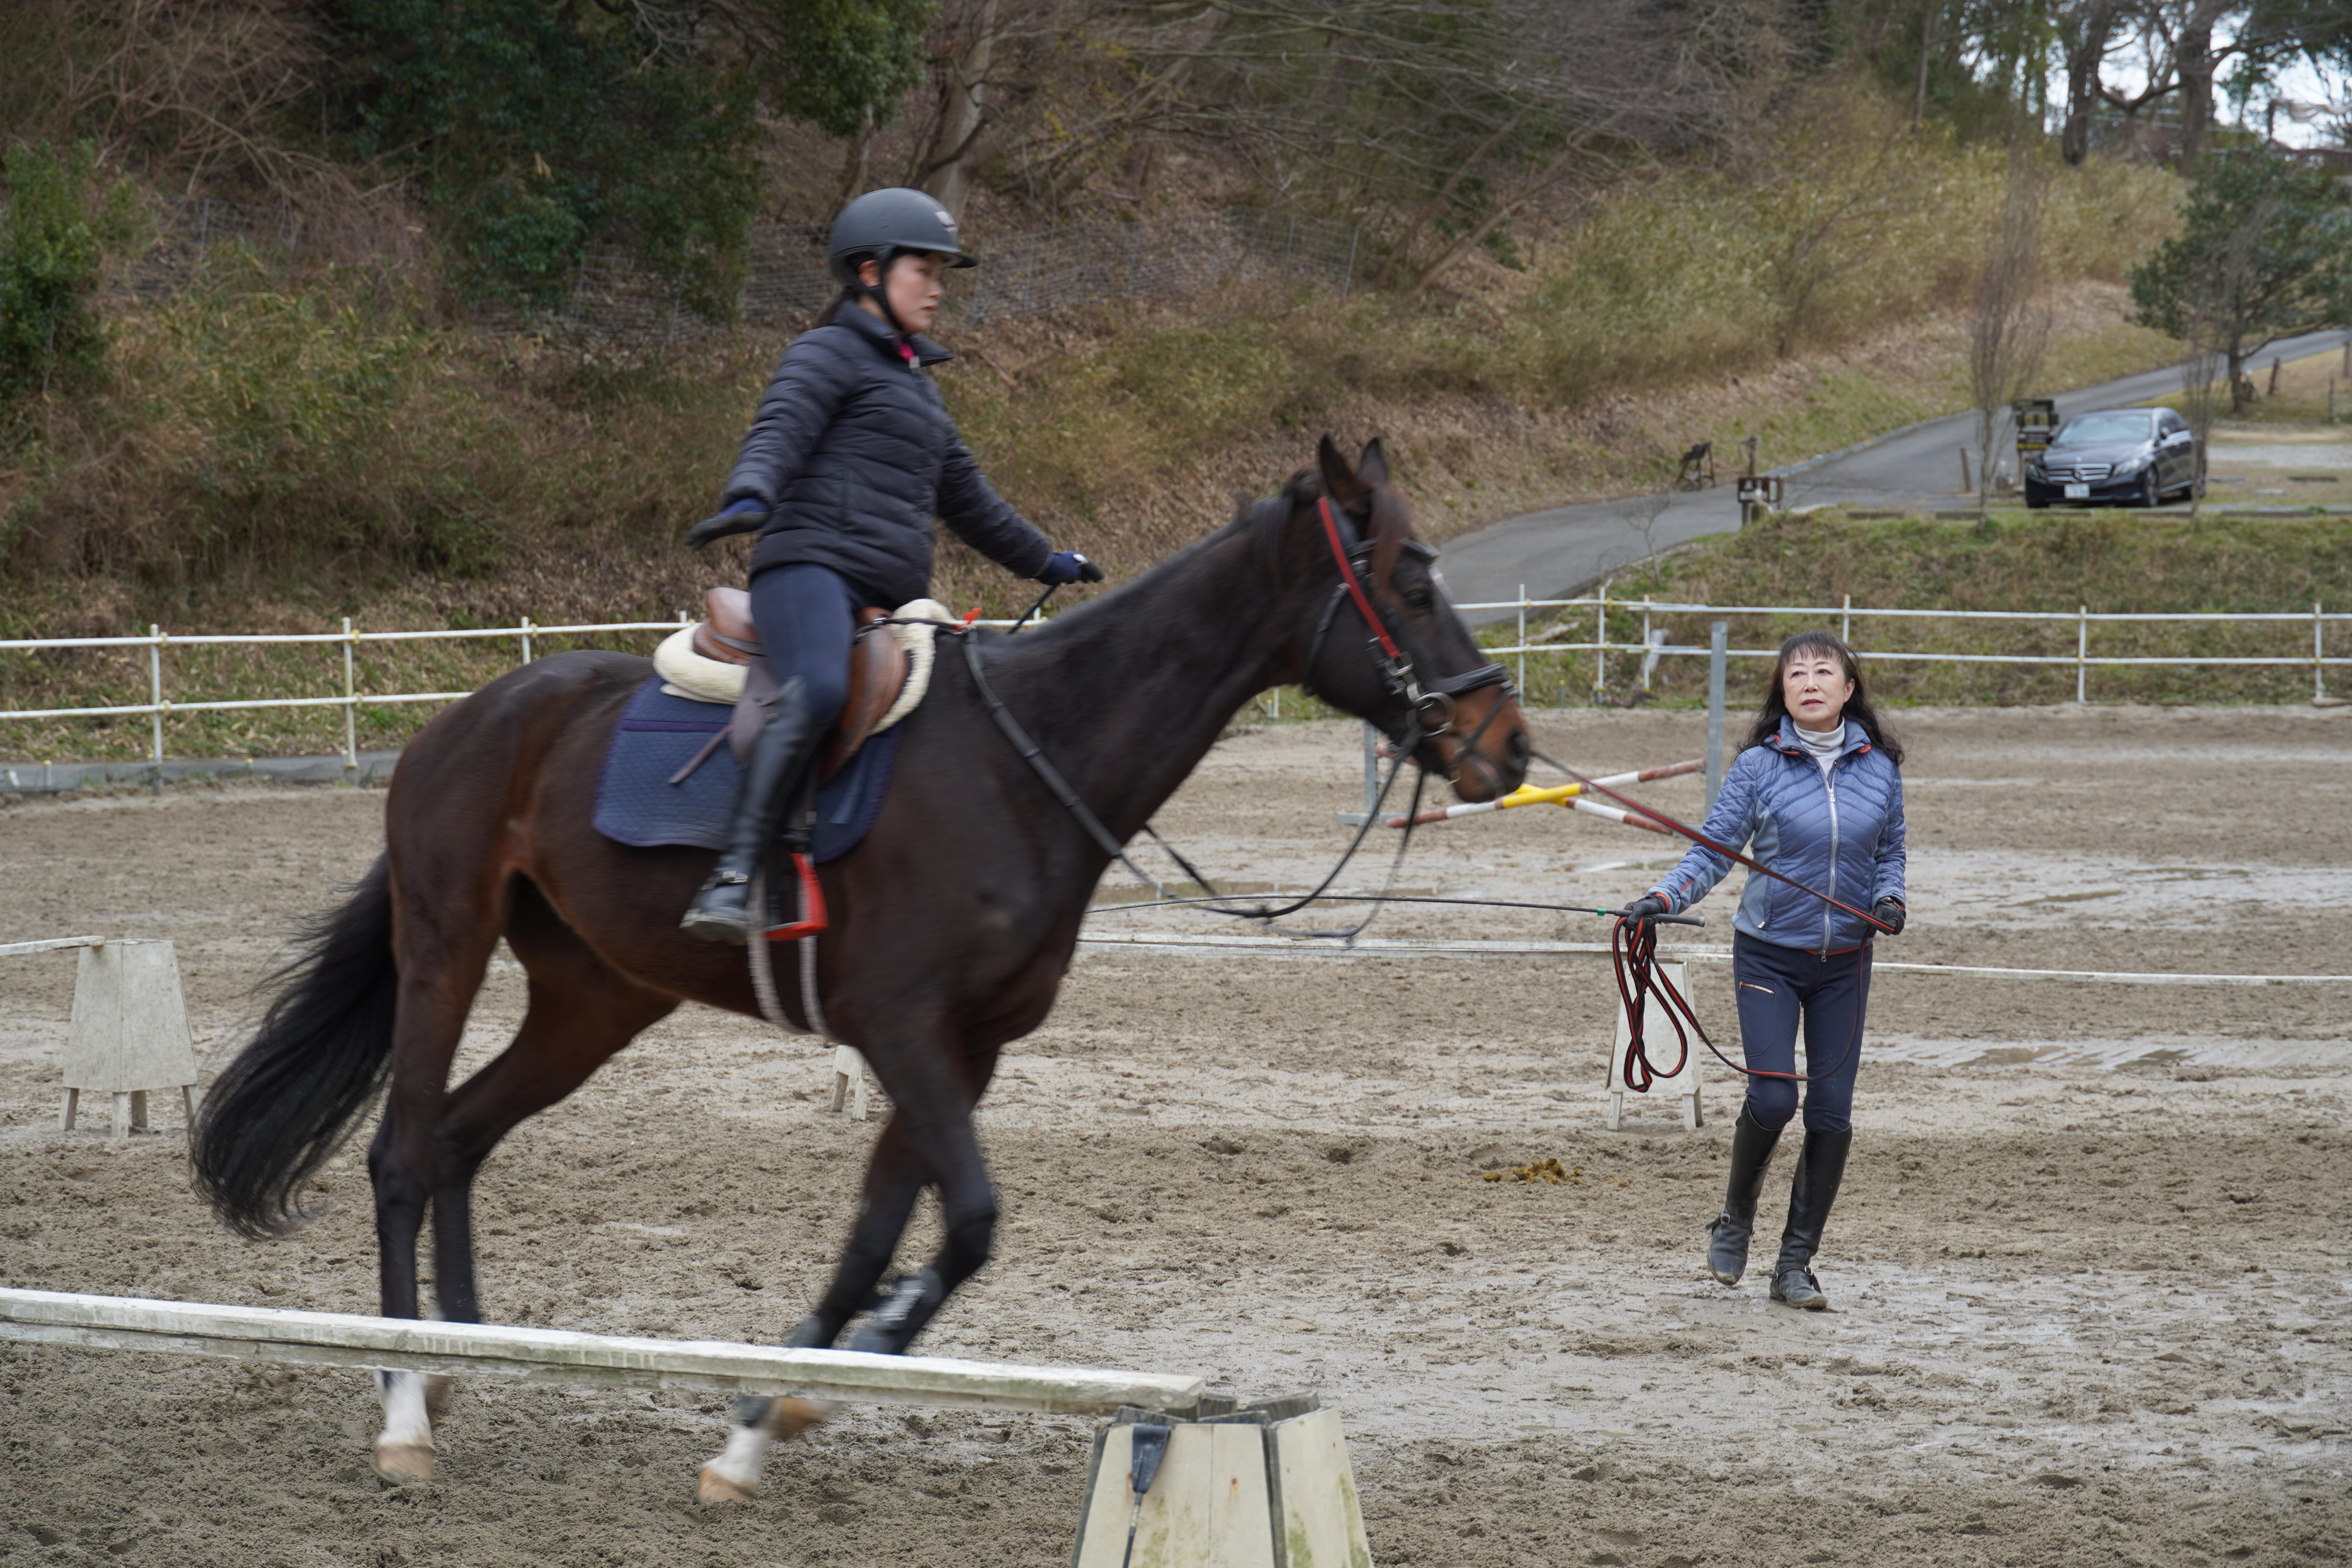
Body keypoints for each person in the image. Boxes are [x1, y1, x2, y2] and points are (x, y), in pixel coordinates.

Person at [677, 187, 1102, 944]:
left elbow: (973, 504)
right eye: (925, 270)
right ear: (869, 270)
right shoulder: (824, 352)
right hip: (809, 570)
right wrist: (749, 496)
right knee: (817, 692)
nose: (939, 288)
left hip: (885, 595)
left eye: (945, 273)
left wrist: (1049, 560)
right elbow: (781, 428)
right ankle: (734, 874)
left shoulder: (920, 392)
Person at [1621, 631, 1907, 1310]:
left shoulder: (1882, 771)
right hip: (1770, 957)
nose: (1809, 682)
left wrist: (1889, 899)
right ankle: (1734, 1219)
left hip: (1846, 963)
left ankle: (1795, 1266)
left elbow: (1891, 852)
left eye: (1823, 672)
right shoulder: (1757, 767)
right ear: (1782, 692)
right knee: (1776, 1099)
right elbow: (1713, 852)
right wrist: (1662, 899)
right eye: (1795, 674)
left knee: (1832, 1116)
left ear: (1847, 688)